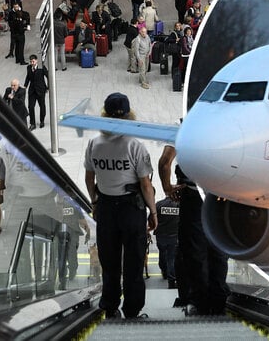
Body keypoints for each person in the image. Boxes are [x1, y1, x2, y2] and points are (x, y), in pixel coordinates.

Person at [83, 93, 157, 319]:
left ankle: (110, 305)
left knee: (109, 261)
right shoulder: (135, 146)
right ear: (128, 114)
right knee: (134, 263)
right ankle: (132, 310)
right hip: (131, 209)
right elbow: (145, 184)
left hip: (106, 207)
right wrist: (153, 212)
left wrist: (95, 201)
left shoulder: (94, 143)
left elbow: (89, 178)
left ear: (104, 114)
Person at [159, 145, 229, 316]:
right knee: (219, 249)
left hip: (193, 198)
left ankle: (200, 303)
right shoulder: (227, 128)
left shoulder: (184, 129)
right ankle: (219, 302)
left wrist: (167, 188)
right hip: (221, 198)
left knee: (195, 252)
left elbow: (164, 164)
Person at [155, 194, 180, 288]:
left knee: (162, 252)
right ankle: (171, 280)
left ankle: (164, 271)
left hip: (160, 235)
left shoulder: (159, 204)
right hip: (174, 235)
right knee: (171, 257)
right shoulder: (178, 205)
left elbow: (152, 219)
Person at [24, 55, 49, 130]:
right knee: (31, 106)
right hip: (32, 90)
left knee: (42, 106)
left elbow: (48, 76)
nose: (32, 63)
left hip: (40, 90)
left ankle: (42, 121)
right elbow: (28, 77)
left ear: (36, 61)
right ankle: (32, 123)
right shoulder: (29, 68)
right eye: (31, 61)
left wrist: (48, 87)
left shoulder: (42, 68)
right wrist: (25, 86)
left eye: (33, 61)